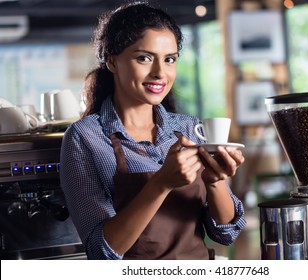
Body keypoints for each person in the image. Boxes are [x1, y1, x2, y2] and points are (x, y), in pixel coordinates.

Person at [60, 1, 246, 260]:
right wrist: (161, 183)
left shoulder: (189, 128)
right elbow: (101, 252)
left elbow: (226, 233)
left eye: (169, 59)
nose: (160, 73)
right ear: (112, 61)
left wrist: (216, 182)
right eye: (144, 58)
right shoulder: (85, 138)